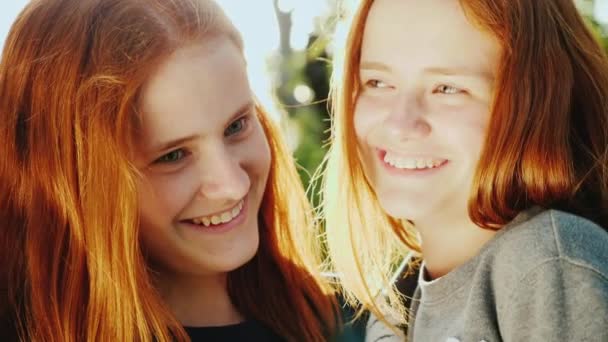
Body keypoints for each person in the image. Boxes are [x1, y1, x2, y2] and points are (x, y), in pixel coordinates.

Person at [0, 0, 347, 340]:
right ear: (71, 183)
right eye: (173, 156)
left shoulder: (349, 323)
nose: (232, 185)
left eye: (236, 126)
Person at [321, 0, 608, 341]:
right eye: (378, 82)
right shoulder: (400, 303)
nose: (401, 124)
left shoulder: (545, 263)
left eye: (448, 88)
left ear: (533, 104)